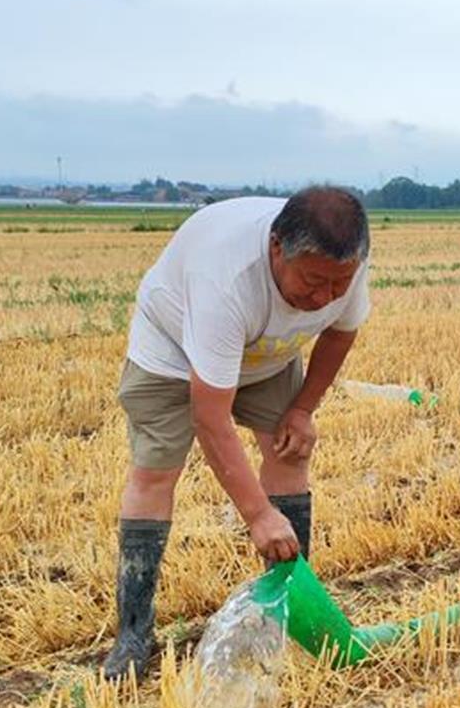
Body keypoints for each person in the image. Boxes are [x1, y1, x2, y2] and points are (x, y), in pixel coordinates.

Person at [102, 184, 370, 681]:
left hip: (266, 355)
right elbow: (211, 419)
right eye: (312, 282)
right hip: (173, 352)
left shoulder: (342, 265)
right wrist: (258, 514)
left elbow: (340, 332)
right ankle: (133, 633)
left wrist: (303, 408)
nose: (323, 297)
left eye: (337, 285)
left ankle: (292, 610)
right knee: (155, 472)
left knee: (290, 451)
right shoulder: (226, 279)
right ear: (276, 249)